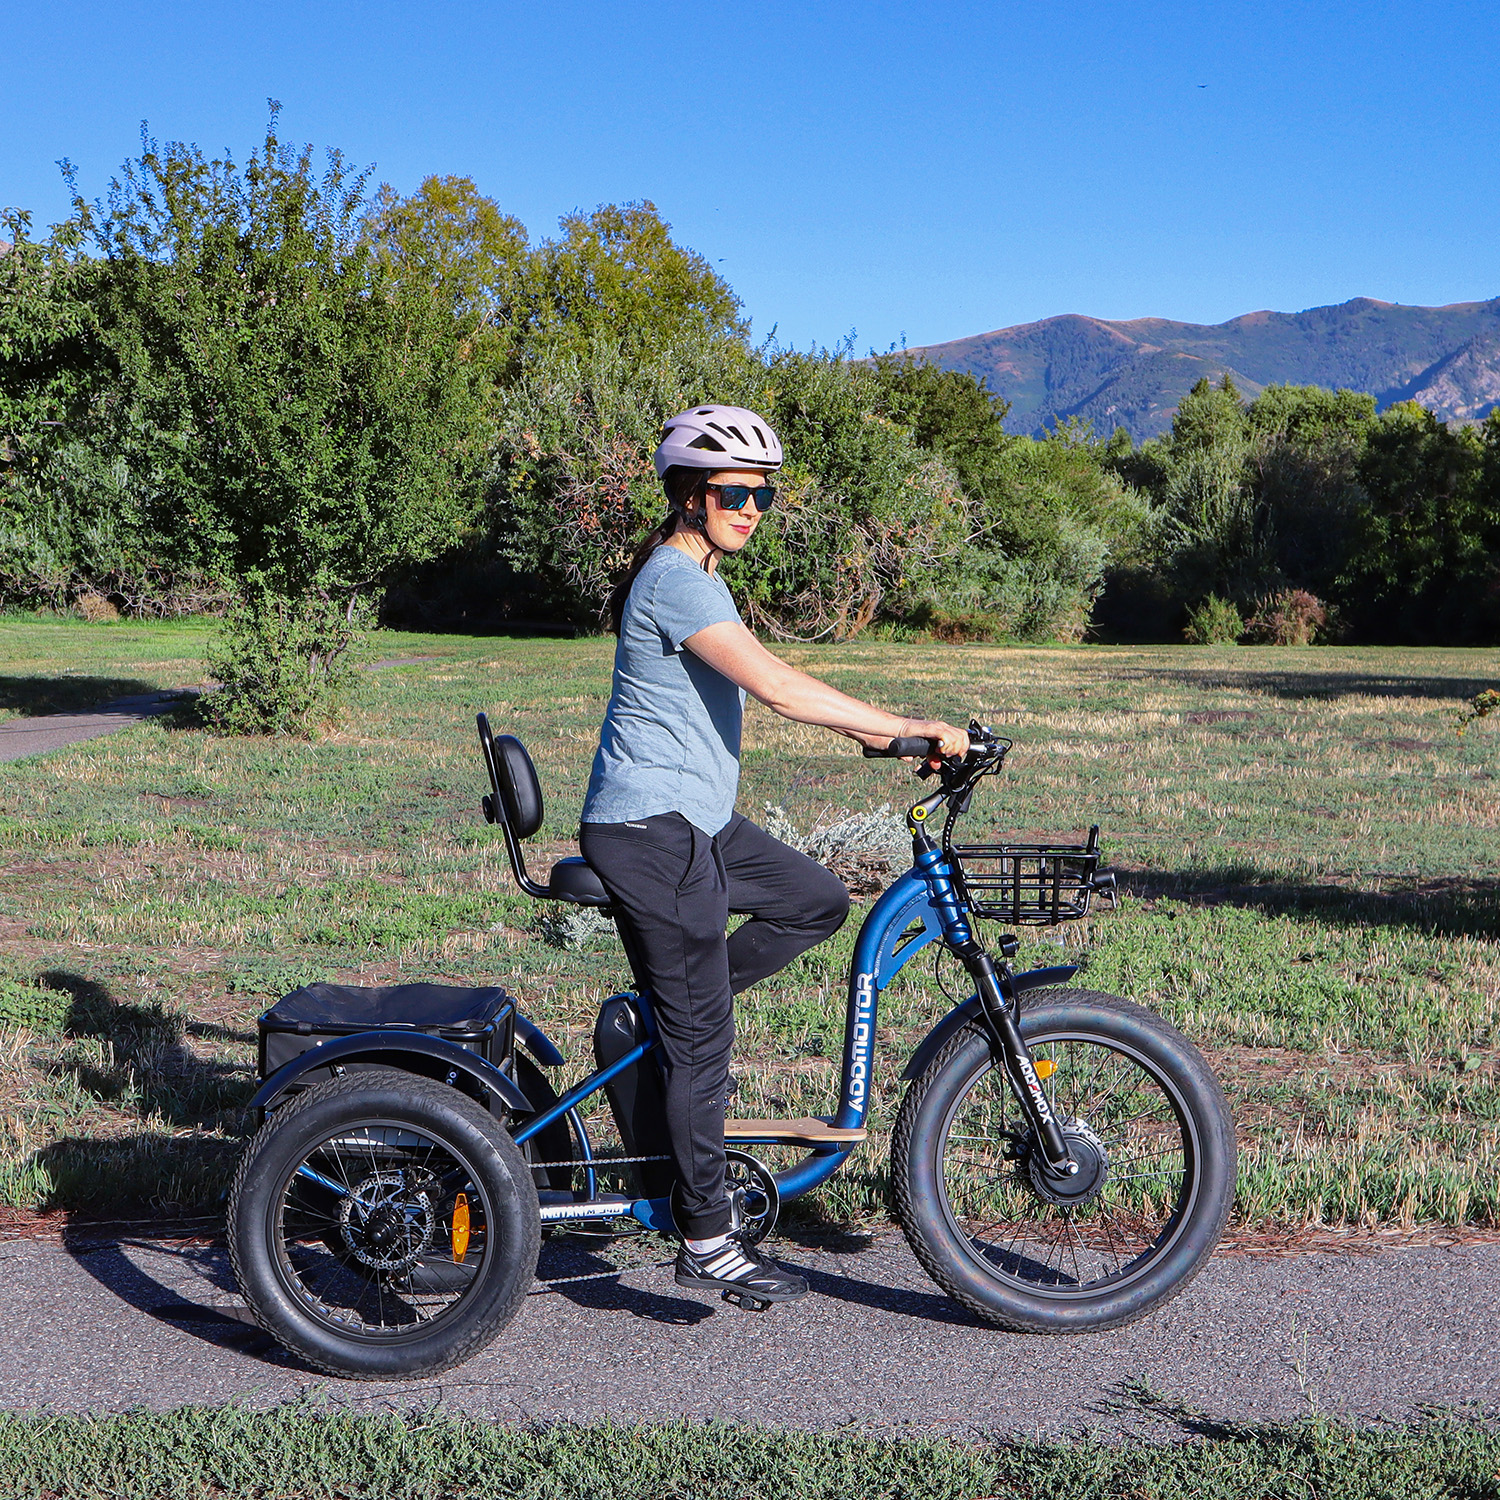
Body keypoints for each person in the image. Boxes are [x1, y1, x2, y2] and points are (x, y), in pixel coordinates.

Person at [579, 404, 969, 1305]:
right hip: (653, 831)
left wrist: (881, 740)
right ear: (688, 496)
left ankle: (663, 1014)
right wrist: (909, 728)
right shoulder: (676, 579)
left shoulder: (701, 579)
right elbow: (783, 689)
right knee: (704, 1041)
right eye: (733, 493)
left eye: (760, 494)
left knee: (813, 899)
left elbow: (771, 684)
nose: (750, 507)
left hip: (695, 824)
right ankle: (707, 1236)